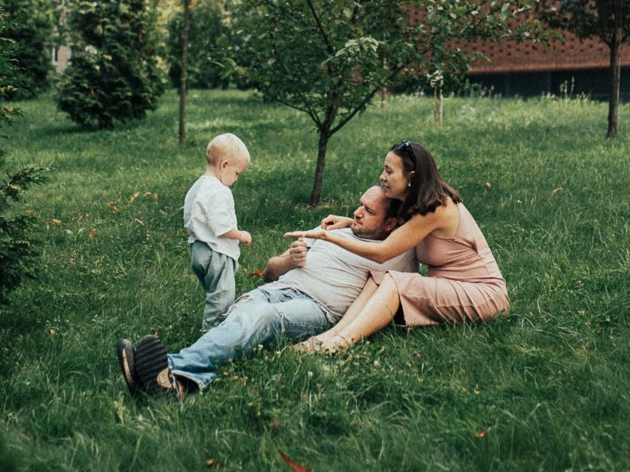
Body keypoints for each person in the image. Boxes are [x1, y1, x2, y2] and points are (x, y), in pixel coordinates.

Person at [116, 185, 415, 400]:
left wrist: (340, 335)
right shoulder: (334, 229)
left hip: (316, 308)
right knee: (244, 318)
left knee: (261, 318)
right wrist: (288, 260)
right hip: (276, 287)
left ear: (390, 223)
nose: (357, 212)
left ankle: (171, 367)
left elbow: (387, 295)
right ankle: (175, 386)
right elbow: (269, 272)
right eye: (360, 205)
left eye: (369, 211)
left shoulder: (396, 255)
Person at [293, 139, 508, 352]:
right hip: (452, 287)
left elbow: (382, 253)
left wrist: (328, 237)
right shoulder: (417, 203)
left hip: (485, 295)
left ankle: (340, 343)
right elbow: (400, 235)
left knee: (395, 282)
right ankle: (331, 334)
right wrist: (350, 223)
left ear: (411, 177)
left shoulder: (437, 207)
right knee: (379, 277)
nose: (382, 177)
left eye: (389, 172)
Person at [183, 132, 252, 329]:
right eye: (237, 173)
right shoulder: (220, 191)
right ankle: (212, 334)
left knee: (213, 293)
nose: (236, 179)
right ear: (224, 165)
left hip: (198, 249)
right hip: (217, 253)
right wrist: (241, 235)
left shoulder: (197, 187)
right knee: (222, 297)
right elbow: (221, 227)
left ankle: (214, 325)